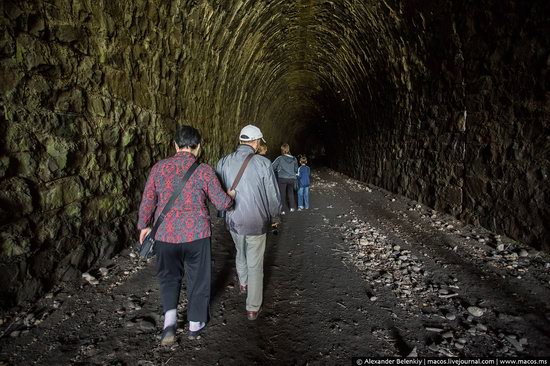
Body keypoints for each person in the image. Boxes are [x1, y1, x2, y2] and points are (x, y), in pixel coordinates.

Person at [138, 125, 234, 345]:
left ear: (175, 145)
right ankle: (195, 324)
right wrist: (230, 198)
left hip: (165, 235)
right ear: (198, 147)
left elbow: (148, 200)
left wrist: (144, 225)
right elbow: (222, 203)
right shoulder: (204, 170)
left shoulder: (159, 168)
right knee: (198, 279)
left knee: (169, 277)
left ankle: (169, 323)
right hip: (196, 235)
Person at [216, 124, 281, 320]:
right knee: (255, 262)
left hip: (233, 220)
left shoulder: (223, 162)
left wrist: (224, 212)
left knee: (239, 251)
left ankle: (243, 283)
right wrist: (275, 216)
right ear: (255, 141)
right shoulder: (263, 163)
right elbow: (272, 195)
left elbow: (218, 192)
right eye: (259, 141)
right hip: (257, 222)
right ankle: (252, 307)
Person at [271, 143, 298, 214]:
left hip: (282, 178)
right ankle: (292, 208)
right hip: (292, 178)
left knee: (282, 194)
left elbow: (272, 167)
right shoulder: (294, 159)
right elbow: (296, 169)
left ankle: (283, 210)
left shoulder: (279, 158)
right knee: (291, 192)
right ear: (288, 149)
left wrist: (278, 170)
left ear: (282, 150)